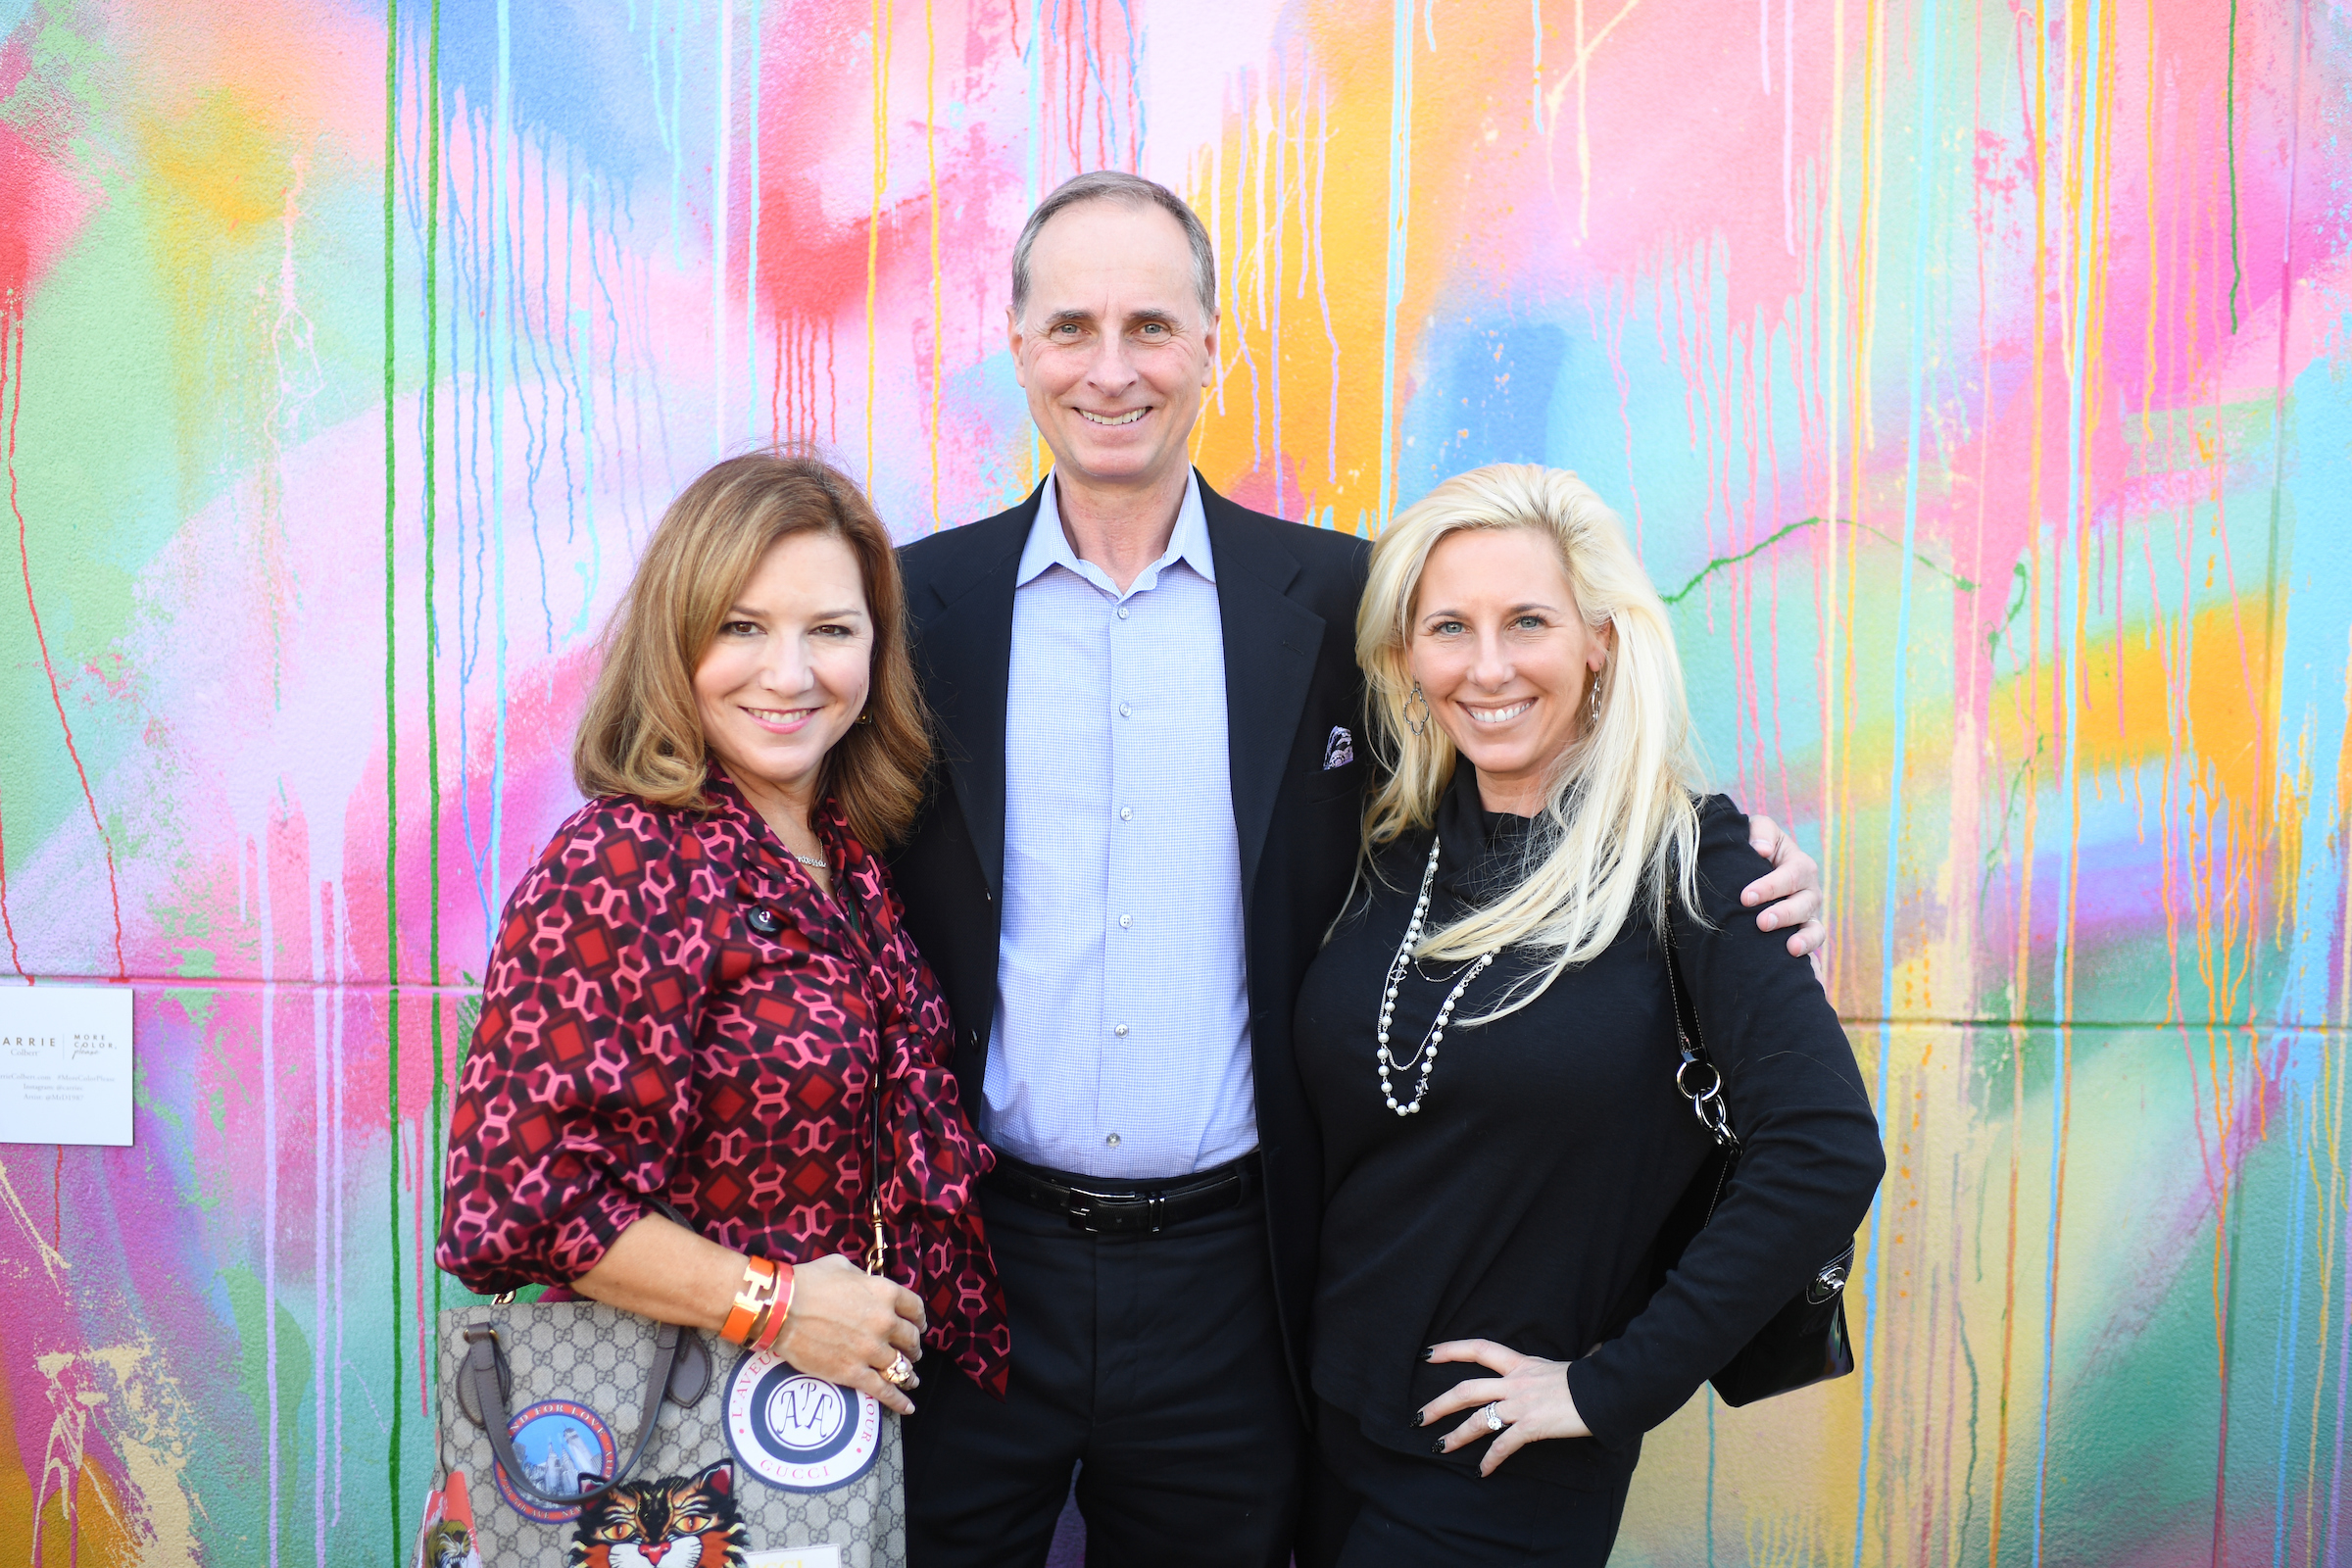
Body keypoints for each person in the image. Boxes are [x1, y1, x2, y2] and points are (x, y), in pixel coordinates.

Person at [885, 171, 1832, 1568]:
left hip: (1240, 1277)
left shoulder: (1342, 603)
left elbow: (1512, 754)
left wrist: (1731, 870)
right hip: (973, 1259)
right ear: (1018, 345)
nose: (1111, 368)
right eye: (1072, 326)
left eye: (1152, 327)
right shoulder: (914, 607)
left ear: (1211, 348)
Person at [1294, 465, 1886, 1565]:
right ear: (1408, 658)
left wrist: (1608, 1388)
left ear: (1600, 641)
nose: (1489, 666)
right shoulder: (1391, 849)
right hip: (1324, 1433)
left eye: (1529, 621)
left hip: (1499, 1471)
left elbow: (1825, 1148)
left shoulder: (1691, 864)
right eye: (1450, 628)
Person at [436, 452, 1009, 1430]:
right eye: (742, 627)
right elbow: (513, 1203)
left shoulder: (848, 860)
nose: (789, 674)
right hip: (681, 1443)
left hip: (842, 1436)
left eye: (831, 629)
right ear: (678, 640)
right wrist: (774, 1305)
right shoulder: (627, 860)